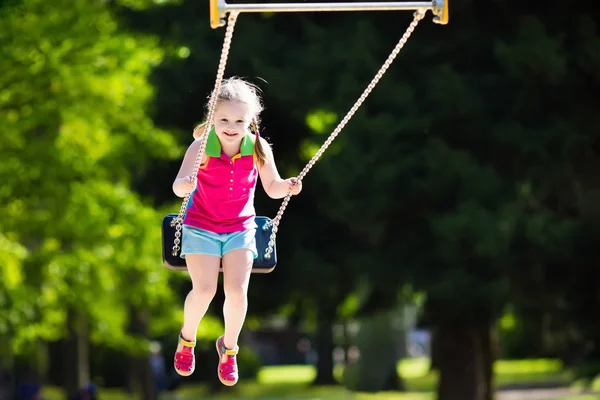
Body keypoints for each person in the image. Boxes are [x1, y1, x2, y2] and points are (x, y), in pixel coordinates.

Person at [171, 77, 302, 386]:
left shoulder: (257, 147)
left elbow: (272, 187)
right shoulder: (201, 146)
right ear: (212, 117)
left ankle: (229, 349)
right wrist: (185, 185)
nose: (231, 126)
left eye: (239, 120)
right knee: (204, 290)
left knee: (236, 291)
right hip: (201, 225)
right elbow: (178, 185)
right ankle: (186, 340)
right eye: (224, 119)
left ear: (250, 120)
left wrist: (289, 187)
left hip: (240, 228)